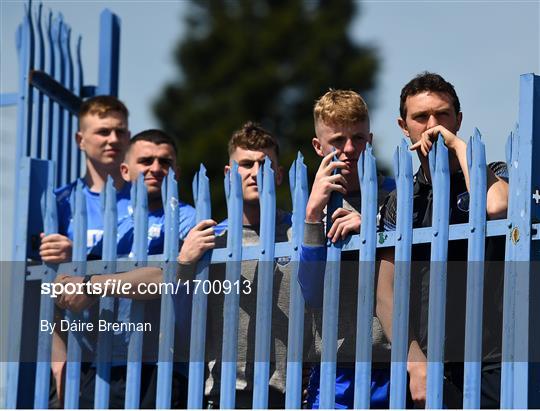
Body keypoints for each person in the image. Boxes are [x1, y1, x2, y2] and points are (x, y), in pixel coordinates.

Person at [376, 72, 508, 408]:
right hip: (430, 363)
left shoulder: (494, 171)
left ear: (458, 120)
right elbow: (384, 291)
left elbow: (498, 206)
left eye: (443, 115)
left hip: (494, 358)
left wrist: (457, 146)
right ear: (404, 126)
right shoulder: (401, 198)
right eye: (420, 117)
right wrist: (413, 359)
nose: (432, 125)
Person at [51, 129, 196, 408]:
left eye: (165, 162)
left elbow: (169, 277)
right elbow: (59, 288)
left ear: (176, 170)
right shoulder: (107, 221)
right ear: (126, 170)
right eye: (146, 161)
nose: (156, 168)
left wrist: (91, 284)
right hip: (97, 366)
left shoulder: (188, 219)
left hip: (159, 364)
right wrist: (60, 361)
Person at [297, 89, 395, 409]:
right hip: (335, 368)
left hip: (395, 361)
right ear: (318, 146)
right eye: (338, 140)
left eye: (359, 138)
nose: (350, 149)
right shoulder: (306, 208)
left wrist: (374, 231)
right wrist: (313, 215)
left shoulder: (399, 196)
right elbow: (311, 293)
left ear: (371, 138)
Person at [39, 95, 132, 263]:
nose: (114, 139)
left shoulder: (148, 198)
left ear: (128, 137)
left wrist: (77, 256)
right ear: (80, 140)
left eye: (120, 131)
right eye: (103, 132)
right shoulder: (59, 202)